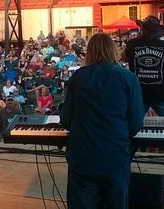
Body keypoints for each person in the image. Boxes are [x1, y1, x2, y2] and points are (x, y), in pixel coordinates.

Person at [61, 33, 145, 208]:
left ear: (89, 51)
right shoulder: (128, 78)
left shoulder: (78, 77)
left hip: (82, 157)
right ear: (114, 50)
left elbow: (66, 120)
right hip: (115, 156)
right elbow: (137, 122)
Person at [122, 15, 164, 176]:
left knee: (129, 130)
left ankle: (123, 165)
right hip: (162, 92)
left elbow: (123, 58)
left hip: (138, 94)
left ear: (142, 29)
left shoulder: (132, 44)